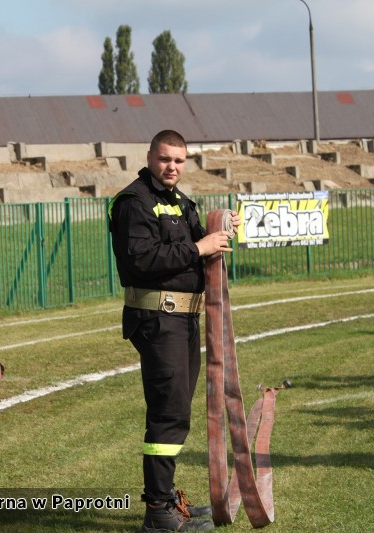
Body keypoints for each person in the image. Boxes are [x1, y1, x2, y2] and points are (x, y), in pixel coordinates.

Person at [108, 130, 240, 531]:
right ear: (150, 156)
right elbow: (142, 259)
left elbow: (199, 248)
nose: (172, 167)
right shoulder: (135, 202)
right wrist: (200, 248)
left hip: (185, 318)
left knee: (177, 411)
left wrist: (221, 230)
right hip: (157, 318)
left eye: (180, 161)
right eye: (166, 159)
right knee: (168, 412)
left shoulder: (180, 202)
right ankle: (158, 514)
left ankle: (166, 501)